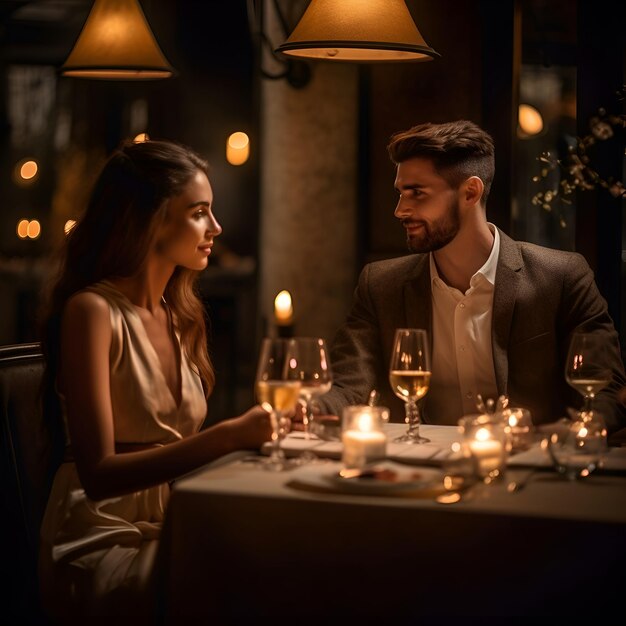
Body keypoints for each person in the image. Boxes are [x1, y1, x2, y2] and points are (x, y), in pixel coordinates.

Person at [37, 138, 272, 621]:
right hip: (100, 533)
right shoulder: (93, 311)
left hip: (172, 521)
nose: (216, 227)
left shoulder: (180, 315)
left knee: (282, 555)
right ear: (151, 219)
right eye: (199, 212)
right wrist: (228, 437)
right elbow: (98, 474)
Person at [317, 120, 626, 435]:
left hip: (530, 471)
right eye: (400, 193)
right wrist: (304, 408)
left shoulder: (561, 278)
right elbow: (347, 386)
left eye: (417, 194)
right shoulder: (381, 285)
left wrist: (580, 431)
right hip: (418, 471)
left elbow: (604, 388)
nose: (400, 209)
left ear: (470, 192)